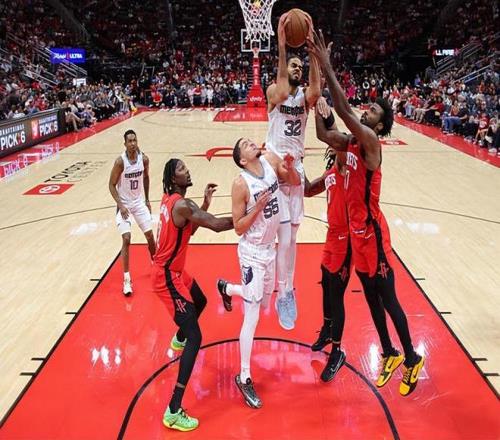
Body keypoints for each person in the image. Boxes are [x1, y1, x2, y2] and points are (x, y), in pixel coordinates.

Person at [307, 30, 425, 396]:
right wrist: (318, 103)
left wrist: (326, 66)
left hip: (373, 234)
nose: (366, 110)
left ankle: (412, 357)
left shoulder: (371, 142)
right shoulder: (351, 142)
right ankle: (389, 352)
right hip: (356, 235)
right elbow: (325, 135)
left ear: (379, 125)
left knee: (389, 298)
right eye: (368, 108)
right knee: (371, 298)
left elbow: (344, 111)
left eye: (373, 111)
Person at [216, 137, 300, 408]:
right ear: (242, 159)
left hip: (269, 249)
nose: (252, 143)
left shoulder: (269, 161)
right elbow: (238, 227)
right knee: (251, 316)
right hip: (251, 253)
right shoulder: (241, 184)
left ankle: (227, 288)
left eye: (251, 141)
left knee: (264, 302)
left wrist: (289, 167)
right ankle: (244, 376)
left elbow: (294, 181)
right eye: (246, 144)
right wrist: (258, 208)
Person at [151, 159, 233, 431]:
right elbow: (217, 226)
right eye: (181, 169)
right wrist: (248, 216)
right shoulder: (182, 205)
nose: (187, 171)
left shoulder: (171, 201)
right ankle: (173, 410)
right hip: (166, 277)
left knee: (200, 301)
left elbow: (189, 230)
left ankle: (179, 338)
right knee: (196, 337)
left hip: (175, 270)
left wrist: (205, 203)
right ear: (173, 179)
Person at [265, 12, 321, 330]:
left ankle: (286, 288)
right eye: (293, 66)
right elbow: (283, 93)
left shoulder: (305, 98)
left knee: (292, 235)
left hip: (295, 168)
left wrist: (312, 50)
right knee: (279, 235)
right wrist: (283, 47)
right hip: (274, 169)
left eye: (300, 67)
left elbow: (315, 91)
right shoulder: (275, 91)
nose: (297, 69)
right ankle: (279, 288)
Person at [303, 96, 351, 382]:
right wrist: (295, 167)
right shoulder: (331, 172)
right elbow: (309, 190)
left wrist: (324, 113)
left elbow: (338, 141)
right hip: (332, 237)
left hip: (347, 240)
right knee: (325, 284)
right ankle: (327, 328)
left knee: (336, 294)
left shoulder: (346, 166)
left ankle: (338, 351)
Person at [109, 129, 155, 295]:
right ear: (125, 144)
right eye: (129, 141)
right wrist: (120, 205)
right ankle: (127, 280)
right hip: (125, 204)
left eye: (134, 140)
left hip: (138, 202)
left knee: (150, 236)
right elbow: (111, 185)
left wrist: (147, 200)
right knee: (127, 239)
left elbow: (146, 178)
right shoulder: (120, 162)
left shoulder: (144, 159)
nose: (133, 143)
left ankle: (156, 266)